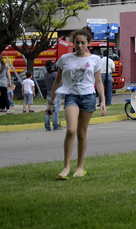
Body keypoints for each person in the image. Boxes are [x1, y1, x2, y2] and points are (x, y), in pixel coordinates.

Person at [48, 27, 106, 179]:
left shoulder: (95, 60)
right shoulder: (65, 59)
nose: (79, 45)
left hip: (88, 97)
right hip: (71, 96)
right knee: (71, 130)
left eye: (82, 43)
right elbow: (57, 81)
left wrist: (103, 101)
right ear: (72, 42)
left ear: (89, 43)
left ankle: (79, 167)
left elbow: (99, 82)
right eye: (77, 43)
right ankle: (66, 167)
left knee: (81, 133)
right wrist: (51, 102)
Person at [44, 60, 61, 131]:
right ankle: (55, 126)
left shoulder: (46, 74)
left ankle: (47, 126)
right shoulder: (55, 74)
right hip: (55, 94)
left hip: (48, 94)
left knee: (48, 111)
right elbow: (60, 81)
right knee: (55, 111)